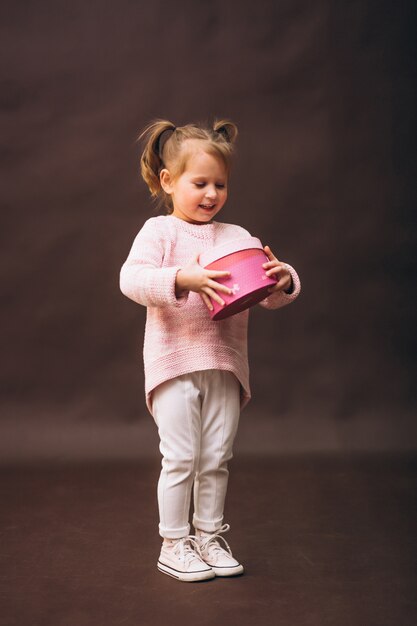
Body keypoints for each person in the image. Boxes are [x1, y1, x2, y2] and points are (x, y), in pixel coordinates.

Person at [120, 119, 301, 582]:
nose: (211, 194)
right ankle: (174, 542)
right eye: (199, 183)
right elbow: (131, 279)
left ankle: (209, 535)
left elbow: (264, 290)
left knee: (216, 457)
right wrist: (183, 277)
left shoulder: (235, 235)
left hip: (225, 364)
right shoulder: (159, 231)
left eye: (219, 184)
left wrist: (282, 279)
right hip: (174, 363)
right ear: (168, 181)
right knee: (181, 457)